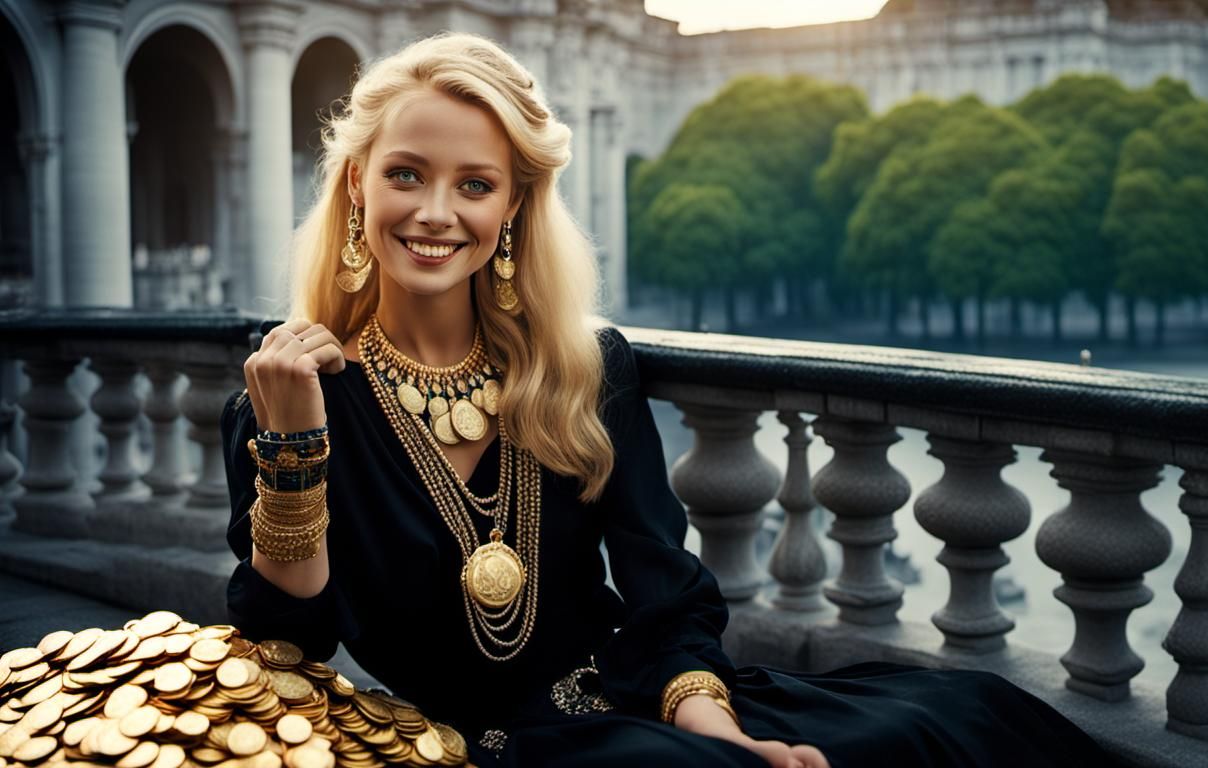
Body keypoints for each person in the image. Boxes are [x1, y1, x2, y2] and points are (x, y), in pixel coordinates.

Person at [222, 33, 1113, 768]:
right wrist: (294, 454)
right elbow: (290, 644)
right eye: (406, 174)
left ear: (514, 210)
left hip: (639, 701)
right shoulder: (294, 393)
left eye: (476, 184)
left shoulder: (584, 367)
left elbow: (665, 594)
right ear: (356, 187)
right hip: (459, 746)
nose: (436, 212)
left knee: (951, 714)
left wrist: (722, 731)